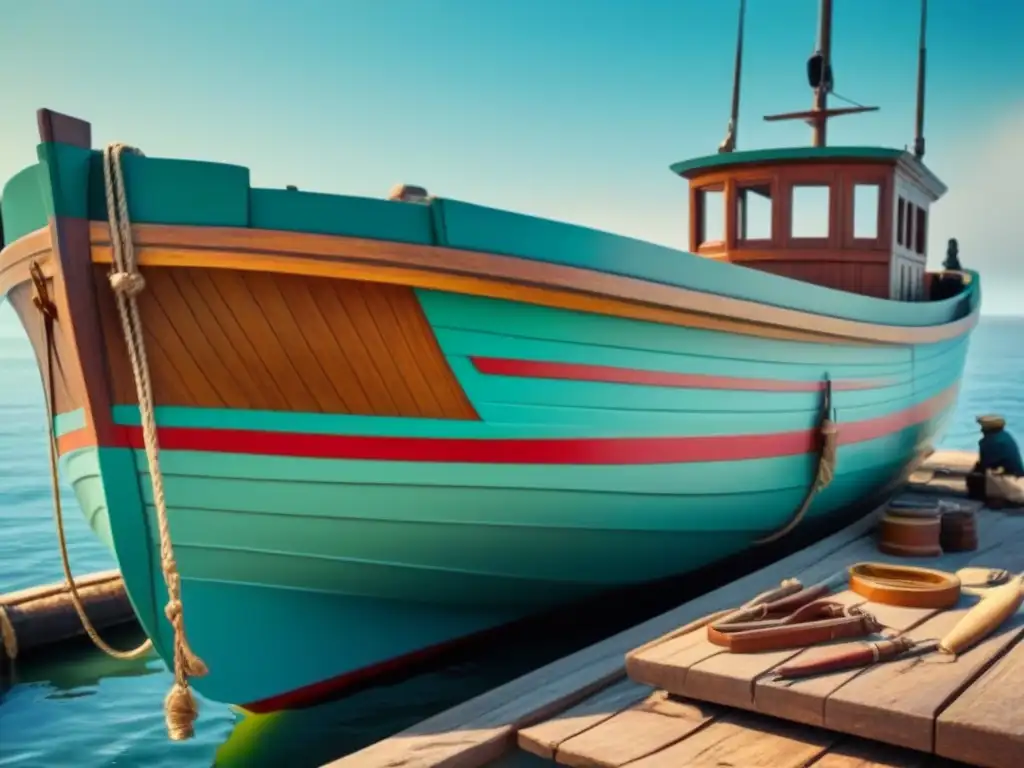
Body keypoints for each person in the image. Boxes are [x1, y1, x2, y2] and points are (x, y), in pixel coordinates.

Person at [966, 415, 1024, 505]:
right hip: (1017, 473)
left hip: (1009, 476)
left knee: (974, 478)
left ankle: (990, 497)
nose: (981, 430)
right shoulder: (1006, 435)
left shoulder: (989, 442)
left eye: (983, 427)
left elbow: (985, 464)